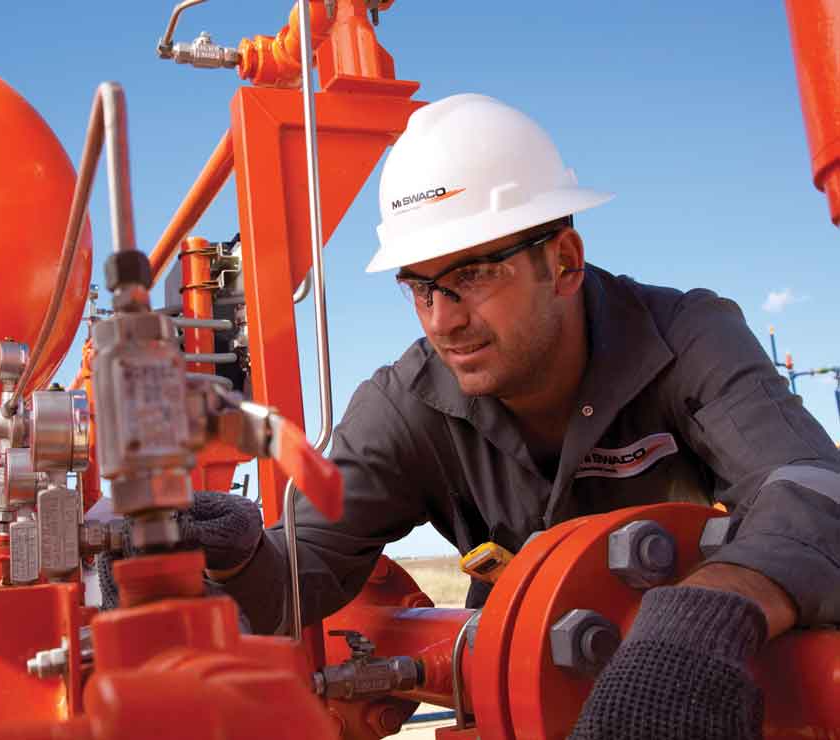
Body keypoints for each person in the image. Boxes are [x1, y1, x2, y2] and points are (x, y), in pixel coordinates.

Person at [183, 94, 840, 738]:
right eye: (421, 287)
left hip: (709, 679)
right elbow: (303, 573)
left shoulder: (687, 340)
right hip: (516, 703)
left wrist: (710, 611)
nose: (444, 320)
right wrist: (235, 556)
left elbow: (812, 487)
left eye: (471, 275)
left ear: (563, 263)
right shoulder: (406, 406)